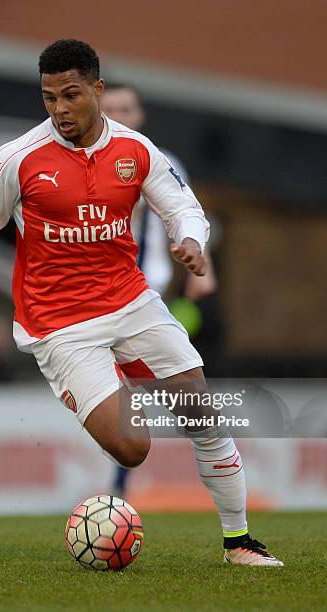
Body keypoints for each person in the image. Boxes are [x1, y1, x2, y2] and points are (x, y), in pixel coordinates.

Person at [0, 39, 282, 567]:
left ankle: (239, 543)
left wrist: (191, 242)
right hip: (61, 325)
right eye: (49, 97)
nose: (60, 109)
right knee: (134, 446)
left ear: (97, 90)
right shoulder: (18, 159)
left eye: (71, 95)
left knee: (203, 414)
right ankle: (112, 380)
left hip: (131, 303)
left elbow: (184, 208)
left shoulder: (136, 151)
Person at [102, 83, 218, 498]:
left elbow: (185, 213)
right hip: (101, 290)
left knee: (162, 382)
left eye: (126, 108)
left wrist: (203, 267)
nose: (119, 114)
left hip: (146, 286)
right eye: (110, 108)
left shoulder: (160, 161)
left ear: (140, 114)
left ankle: (125, 479)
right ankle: (123, 474)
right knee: (129, 386)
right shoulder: (88, 163)